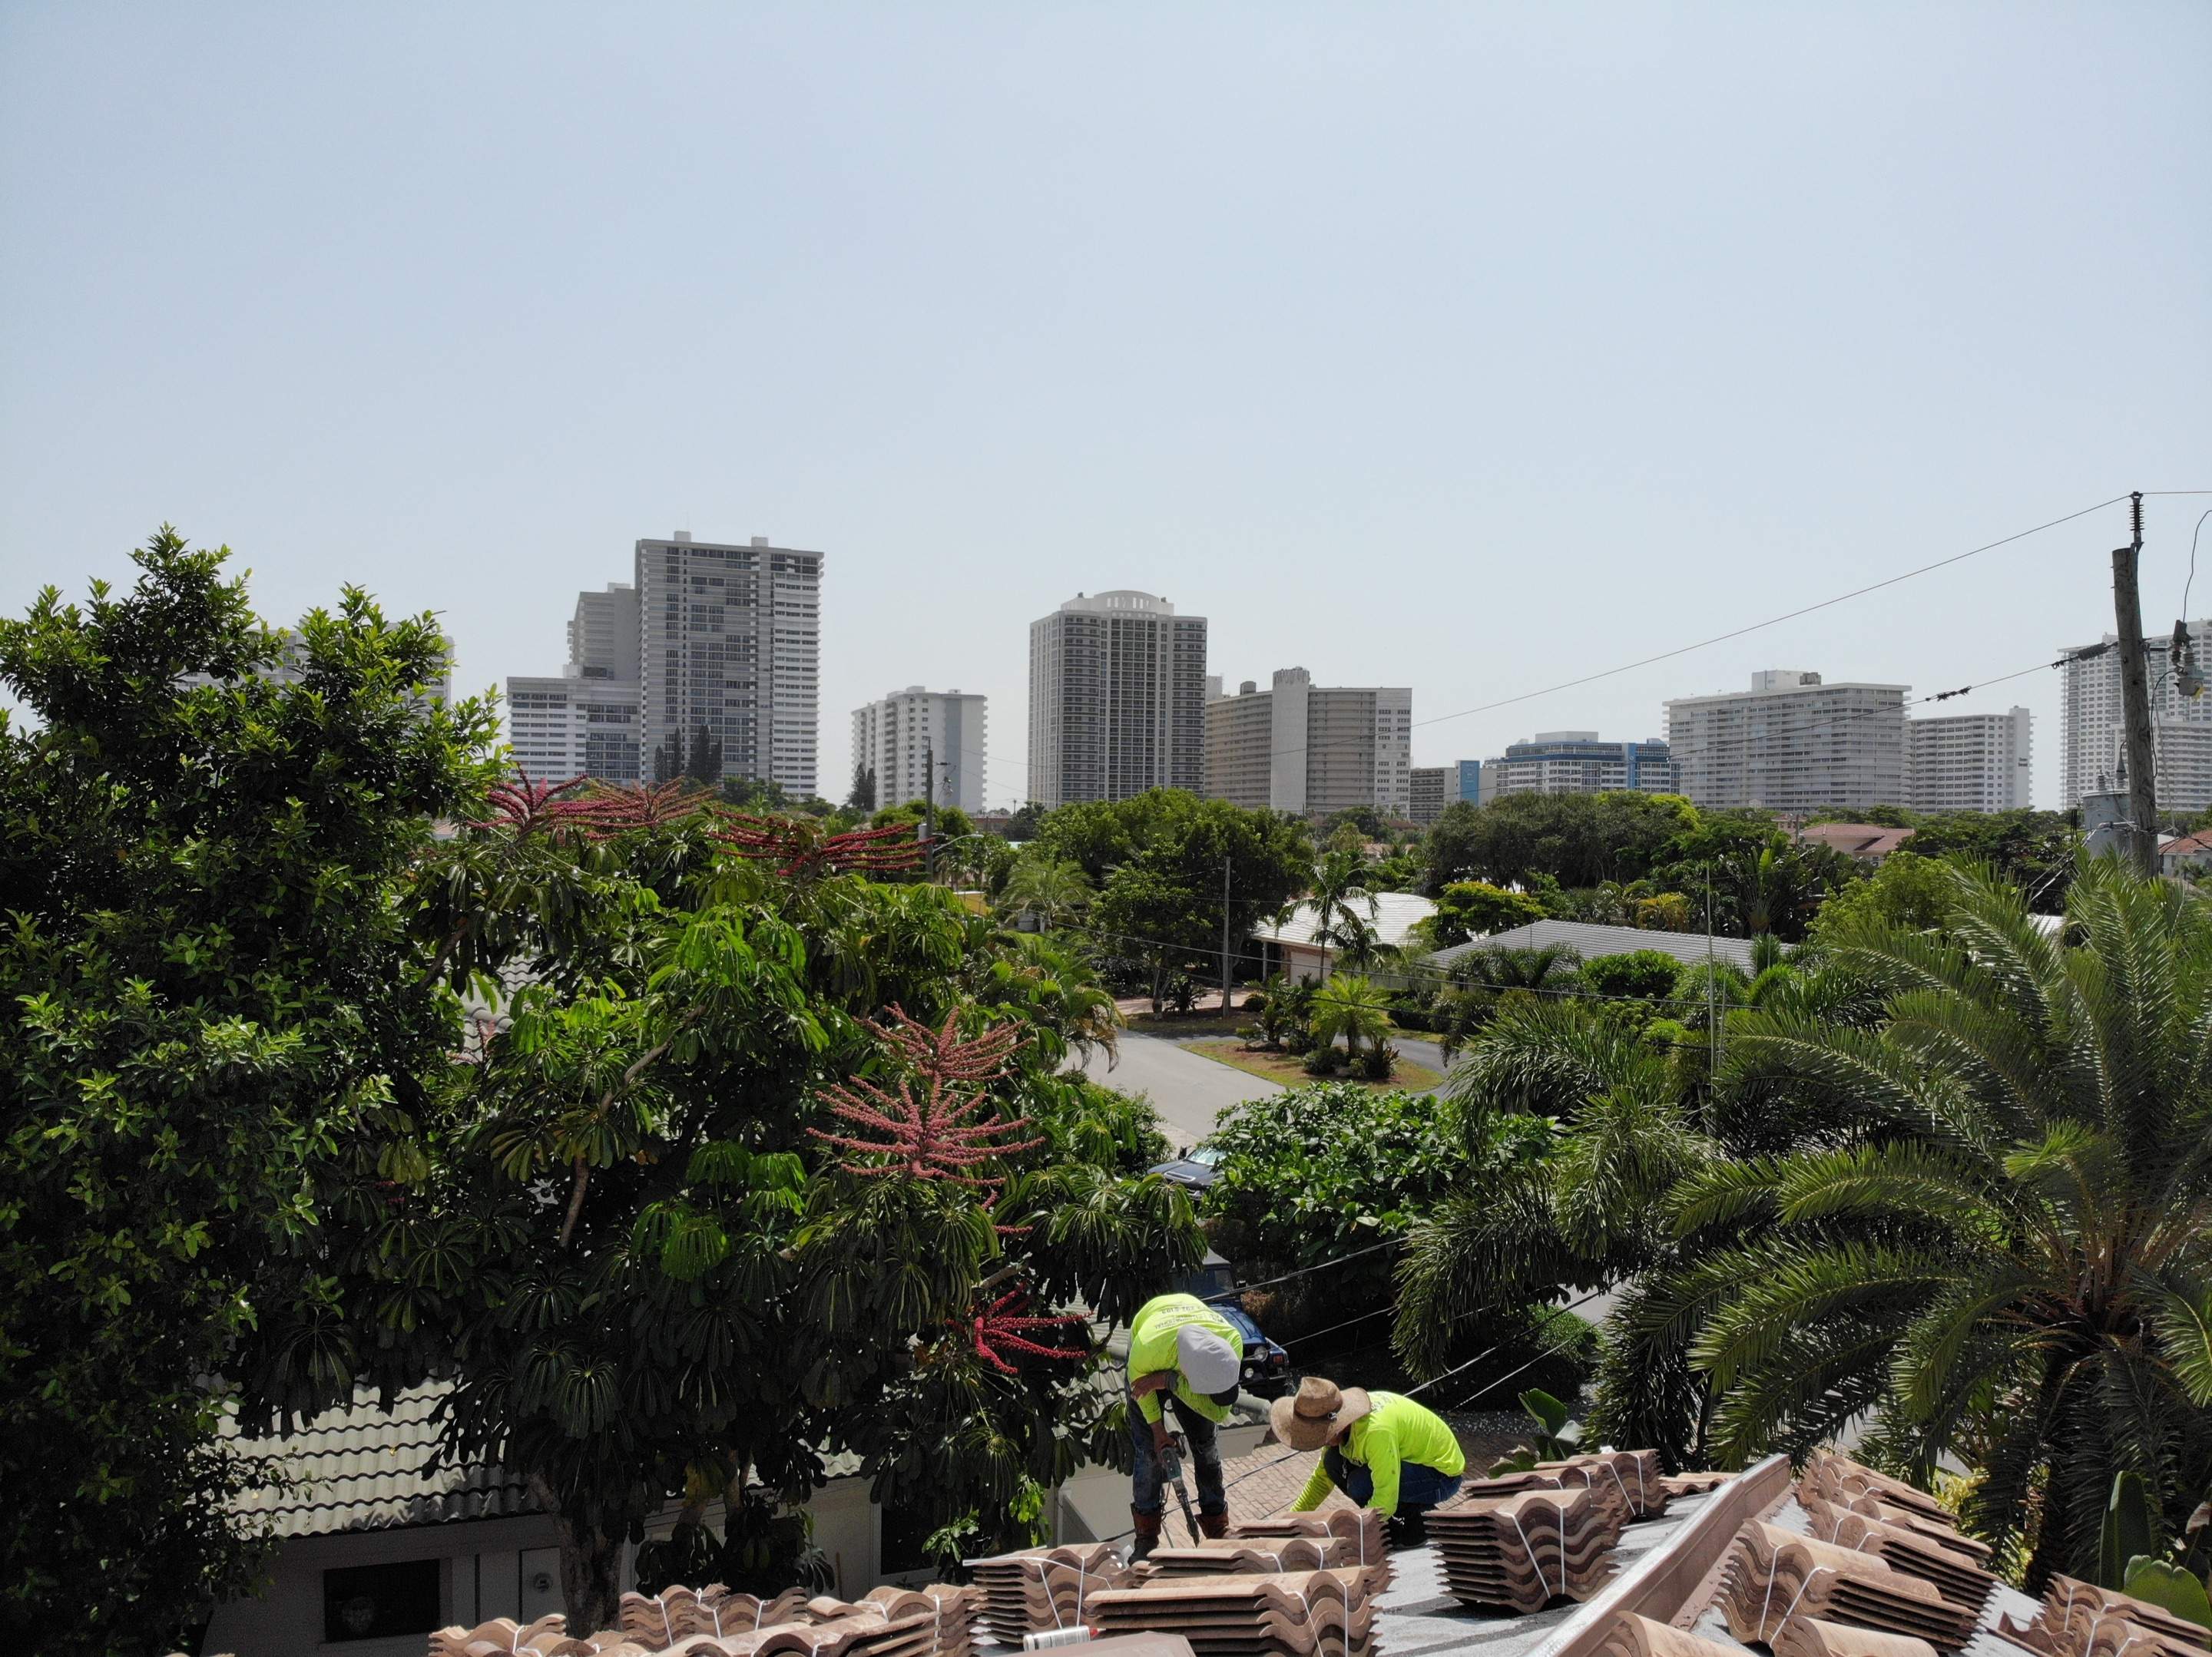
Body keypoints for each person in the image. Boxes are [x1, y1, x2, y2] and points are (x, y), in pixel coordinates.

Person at [1271, 1376, 1465, 1543]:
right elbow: (1321, 1480)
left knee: (1360, 1485)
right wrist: (1290, 1520)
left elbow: (1385, 1496)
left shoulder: (1375, 1431)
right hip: (1408, 1466)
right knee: (1333, 1464)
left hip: (1441, 1475)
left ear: (1336, 1424)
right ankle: (1397, 1521)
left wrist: (1360, 1532)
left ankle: (1416, 1525)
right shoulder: (1340, 1428)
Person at [1124, 1291, 1244, 1557]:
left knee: (1206, 1444)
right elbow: (1141, 1389)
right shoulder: (1147, 1350)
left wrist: (1169, 1382)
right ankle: (1146, 1536)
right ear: (1192, 1378)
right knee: (1148, 1452)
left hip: (1177, 1363)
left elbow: (1219, 1413)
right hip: (1151, 1357)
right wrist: (1158, 1431)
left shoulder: (1232, 1342)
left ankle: (1216, 1523)